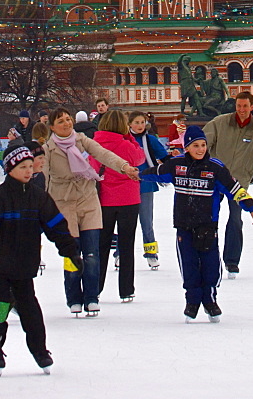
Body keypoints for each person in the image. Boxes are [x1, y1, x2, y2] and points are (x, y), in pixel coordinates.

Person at [0, 142, 82, 376]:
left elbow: (56, 226)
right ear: (9, 169)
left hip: (25, 266)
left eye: (30, 166)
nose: (29, 171)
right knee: (1, 303)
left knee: (30, 308)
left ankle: (40, 350)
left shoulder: (38, 198)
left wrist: (70, 251)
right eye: (23, 166)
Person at [143, 125, 253, 322]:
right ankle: (192, 301)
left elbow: (235, 189)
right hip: (184, 225)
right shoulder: (177, 165)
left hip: (207, 225)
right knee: (188, 265)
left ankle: (210, 300)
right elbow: (156, 172)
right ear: (187, 147)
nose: (200, 149)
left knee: (210, 265)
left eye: (203, 145)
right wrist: (134, 174)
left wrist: (251, 207)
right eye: (195, 145)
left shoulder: (215, 168)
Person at [43, 107, 139, 316]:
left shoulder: (82, 141)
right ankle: (74, 298)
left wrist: (124, 167)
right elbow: (42, 177)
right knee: (72, 253)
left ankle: (91, 297)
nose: (67, 124)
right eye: (61, 121)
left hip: (88, 200)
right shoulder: (48, 150)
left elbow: (104, 155)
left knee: (92, 254)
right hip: (64, 202)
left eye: (68, 119)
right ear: (52, 127)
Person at [203, 90, 253, 277]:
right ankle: (204, 255)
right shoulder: (220, 123)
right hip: (215, 179)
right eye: (238, 106)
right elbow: (203, 143)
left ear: (252, 107)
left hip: (238, 182)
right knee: (208, 219)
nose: (241, 110)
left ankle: (232, 261)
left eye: (245, 106)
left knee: (235, 219)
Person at [90, 110, 145, 302]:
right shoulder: (125, 144)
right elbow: (140, 158)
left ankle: (95, 287)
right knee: (126, 244)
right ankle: (126, 289)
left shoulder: (94, 144)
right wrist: (129, 138)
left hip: (104, 199)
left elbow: (92, 166)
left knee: (101, 245)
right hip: (128, 198)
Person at [129, 110, 170, 268]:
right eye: (137, 122)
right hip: (126, 185)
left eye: (142, 122)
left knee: (147, 221)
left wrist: (175, 159)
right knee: (126, 222)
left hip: (145, 184)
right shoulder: (125, 140)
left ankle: (151, 253)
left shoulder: (150, 140)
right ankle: (120, 252)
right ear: (130, 124)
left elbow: (164, 157)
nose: (140, 126)